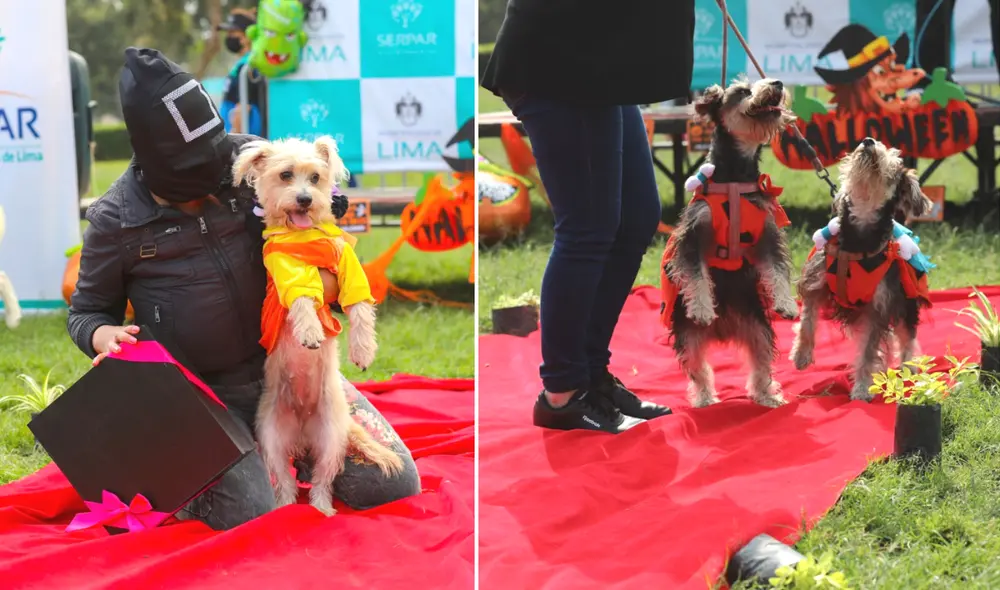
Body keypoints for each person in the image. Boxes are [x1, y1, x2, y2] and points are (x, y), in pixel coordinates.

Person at [67, 48, 420, 530]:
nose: (209, 183)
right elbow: (86, 310)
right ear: (151, 163)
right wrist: (102, 336)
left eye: (213, 166)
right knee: (251, 510)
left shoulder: (255, 159)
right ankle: (208, 467)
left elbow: (325, 215)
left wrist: (329, 282)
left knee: (390, 482)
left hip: (293, 366)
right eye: (189, 177)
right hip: (204, 394)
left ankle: (287, 453)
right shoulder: (116, 218)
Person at [481, 1, 696, 434]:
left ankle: (591, 374)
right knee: (588, 227)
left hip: (599, 64)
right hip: (557, 61)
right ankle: (561, 392)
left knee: (637, 216)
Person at [217, 8, 268, 137]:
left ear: (247, 37)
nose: (229, 37)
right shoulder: (242, 64)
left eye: (233, 32)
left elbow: (243, 107)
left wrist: (234, 137)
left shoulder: (249, 66)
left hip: (241, 140)